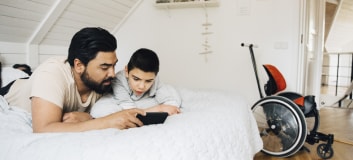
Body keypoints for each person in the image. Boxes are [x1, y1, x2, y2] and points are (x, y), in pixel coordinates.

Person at [4, 27, 145, 133]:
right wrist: (104, 122)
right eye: (104, 67)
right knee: (17, 74)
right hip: (10, 90)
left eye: (114, 65)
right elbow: (42, 129)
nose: (112, 74)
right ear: (79, 66)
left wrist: (89, 118)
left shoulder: (103, 82)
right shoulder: (51, 73)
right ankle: (21, 70)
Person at [91, 48, 181, 118]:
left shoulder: (156, 80)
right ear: (126, 71)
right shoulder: (118, 80)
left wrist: (166, 105)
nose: (141, 86)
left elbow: (172, 104)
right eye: (136, 79)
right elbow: (130, 111)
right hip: (124, 102)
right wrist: (159, 108)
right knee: (101, 110)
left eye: (148, 81)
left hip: (143, 101)